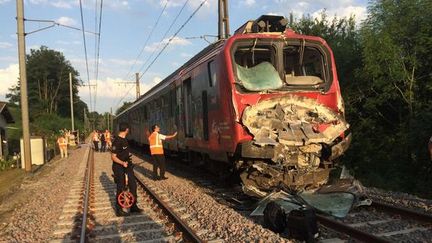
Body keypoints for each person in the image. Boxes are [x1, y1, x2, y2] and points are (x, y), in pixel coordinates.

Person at [111, 122, 142, 216]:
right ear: (126, 129)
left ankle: (133, 206)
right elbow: (113, 157)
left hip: (127, 165)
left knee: (133, 185)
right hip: (119, 166)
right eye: (128, 129)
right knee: (121, 186)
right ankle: (119, 209)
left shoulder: (125, 140)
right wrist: (122, 163)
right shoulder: (117, 141)